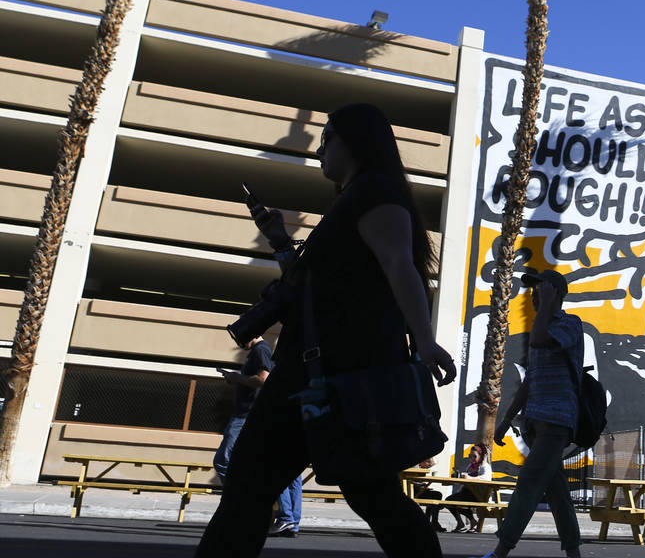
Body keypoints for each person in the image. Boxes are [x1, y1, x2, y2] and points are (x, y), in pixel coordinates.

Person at [194, 103, 457, 558]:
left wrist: (425, 339)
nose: (319, 150)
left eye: (327, 138)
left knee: (251, 485)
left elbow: (399, 263)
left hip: (331, 374)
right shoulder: (353, 200)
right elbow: (319, 283)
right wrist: (279, 239)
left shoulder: (375, 191)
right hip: (329, 371)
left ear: (354, 141)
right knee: (369, 493)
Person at [472, 269, 583, 558]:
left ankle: (499, 552)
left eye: (540, 291)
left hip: (558, 420)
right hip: (537, 422)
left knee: (528, 483)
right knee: (558, 493)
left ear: (556, 294)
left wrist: (547, 305)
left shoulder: (569, 324)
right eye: (533, 292)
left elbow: (538, 341)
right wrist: (506, 419)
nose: (533, 296)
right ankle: (574, 553)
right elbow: (531, 380)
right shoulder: (542, 324)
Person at [214, 339, 304, 538]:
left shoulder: (261, 350)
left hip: (252, 415)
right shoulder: (291, 356)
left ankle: (243, 503)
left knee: (226, 460)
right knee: (289, 472)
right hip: (282, 414)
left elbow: (264, 379)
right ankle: (289, 520)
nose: (237, 339)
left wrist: (237, 378)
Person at [444, 444, 492, 533]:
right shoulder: (470, 466)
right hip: (467, 493)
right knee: (449, 501)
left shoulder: (485, 467)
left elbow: (486, 479)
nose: (472, 458)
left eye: (474, 456)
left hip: (478, 496)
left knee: (450, 501)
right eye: (470, 456)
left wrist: (471, 478)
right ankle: (464, 523)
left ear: (481, 456)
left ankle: (465, 523)